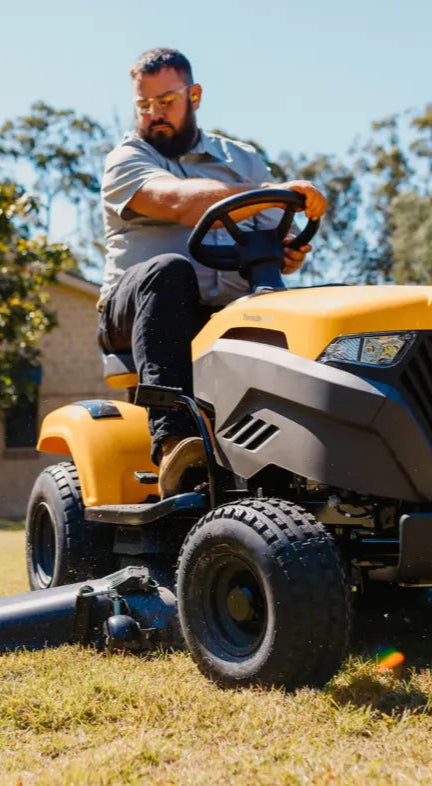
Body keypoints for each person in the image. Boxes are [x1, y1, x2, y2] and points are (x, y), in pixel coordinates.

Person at [98, 48, 328, 498]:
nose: (153, 115)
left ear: (194, 95)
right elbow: (177, 201)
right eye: (143, 105)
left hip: (224, 314)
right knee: (168, 271)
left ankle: (314, 448)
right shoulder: (126, 159)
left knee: (295, 307)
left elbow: (271, 231)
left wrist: (284, 252)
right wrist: (271, 193)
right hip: (133, 312)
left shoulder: (241, 159)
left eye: (165, 101)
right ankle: (172, 441)